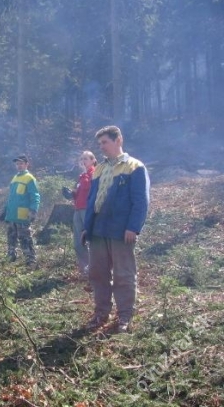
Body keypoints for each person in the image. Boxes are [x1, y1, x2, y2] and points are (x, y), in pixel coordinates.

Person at [82, 126, 149, 333]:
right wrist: (87, 227)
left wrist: (133, 227)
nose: (101, 147)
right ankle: (101, 312)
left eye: (105, 142)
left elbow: (141, 201)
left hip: (121, 231)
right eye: (100, 143)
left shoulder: (134, 167)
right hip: (98, 230)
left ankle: (125, 316)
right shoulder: (99, 169)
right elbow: (92, 200)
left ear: (118, 139)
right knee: (97, 273)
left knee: (123, 274)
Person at [1, 155, 41, 268]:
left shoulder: (29, 178)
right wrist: (5, 210)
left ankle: (30, 260)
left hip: (22, 215)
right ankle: (11, 256)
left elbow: (35, 196)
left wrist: (33, 210)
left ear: (27, 164)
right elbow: (11, 197)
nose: (19, 166)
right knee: (11, 237)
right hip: (11, 214)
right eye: (17, 164)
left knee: (25, 238)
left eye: (21, 163)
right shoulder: (15, 178)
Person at [63, 151, 97, 278]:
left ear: (93, 160)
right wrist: (71, 193)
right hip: (77, 209)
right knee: (78, 242)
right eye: (82, 159)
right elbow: (79, 193)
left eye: (86, 159)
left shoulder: (95, 173)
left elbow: (93, 191)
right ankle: (84, 270)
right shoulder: (82, 175)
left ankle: (94, 269)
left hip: (88, 210)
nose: (83, 161)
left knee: (91, 240)